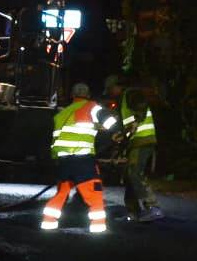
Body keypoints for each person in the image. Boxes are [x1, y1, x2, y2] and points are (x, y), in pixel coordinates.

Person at [43, 82, 109, 234]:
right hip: (82, 159)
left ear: (72, 96)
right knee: (94, 192)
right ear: (87, 95)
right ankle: (98, 226)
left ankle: (48, 222)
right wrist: (114, 129)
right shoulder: (90, 106)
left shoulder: (62, 114)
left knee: (61, 193)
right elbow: (105, 117)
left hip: (64, 160)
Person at [108, 75, 162, 222]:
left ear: (116, 87)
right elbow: (129, 122)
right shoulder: (123, 100)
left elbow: (140, 108)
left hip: (143, 139)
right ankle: (133, 212)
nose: (110, 93)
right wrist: (121, 135)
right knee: (130, 174)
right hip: (136, 141)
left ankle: (152, 207)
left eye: (110, 90)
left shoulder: (130, 93)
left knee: (134, 172)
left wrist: (136, 121)